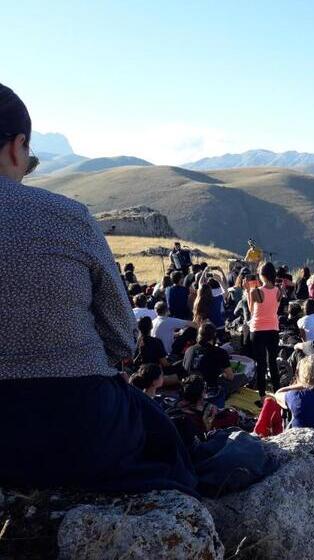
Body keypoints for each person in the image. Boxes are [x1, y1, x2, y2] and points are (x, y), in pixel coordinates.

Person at [0, 83, 196, 495]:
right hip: (77, 425)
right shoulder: (67, 217)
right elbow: (123, 339)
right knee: (164, 441)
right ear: (17, 147)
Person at [182, 322, 241, 407]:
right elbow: (230, 376)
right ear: (214, 336)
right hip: (209, 392)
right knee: (240, 377)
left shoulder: (189, 350)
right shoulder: (220, 352)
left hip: (188, 389)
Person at [248, 262, 281, 402]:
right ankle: (278, 392)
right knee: (273, 362)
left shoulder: (255, 291)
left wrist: (247, 292)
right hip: (273, 328)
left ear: (262, 275)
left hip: (258, 330)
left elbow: (251, 310)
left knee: (261, 364)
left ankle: (262, 395)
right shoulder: (279, 291)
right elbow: (275, 309)